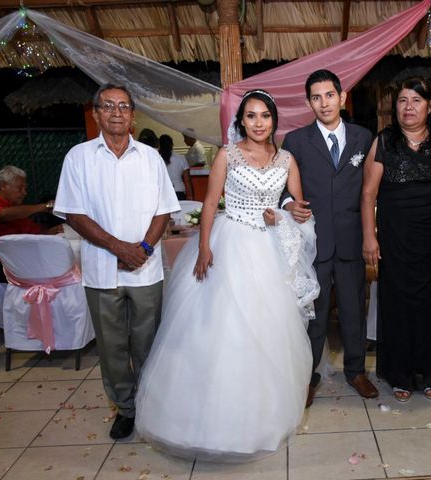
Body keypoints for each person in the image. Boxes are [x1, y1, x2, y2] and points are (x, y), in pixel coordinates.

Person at [135, 90, 318, 461]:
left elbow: (296, 209)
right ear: (242, 121)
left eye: (265, 116)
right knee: (217, 331)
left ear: (274, 120)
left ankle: (261, 418)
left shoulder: (287, 159)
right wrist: (204, 246)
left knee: (266, 332)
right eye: (251, 116)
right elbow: (209, 202)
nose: (258, 122)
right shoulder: (227, 155)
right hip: (230, 241)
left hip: (268, 250)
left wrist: (282, 214)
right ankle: (201, 419)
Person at [54, 84, 180, 439]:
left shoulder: (151, 158)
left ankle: (151, 405)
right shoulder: (78, 157)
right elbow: (74, 215)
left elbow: (164, 211)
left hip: (146, 268)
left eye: (123, 106)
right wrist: (118, 248)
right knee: (112, 347)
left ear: (132, 115)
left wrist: (141, 249)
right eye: (108, 106)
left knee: (148, 342)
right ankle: (125, 408)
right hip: (100, 270)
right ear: (96, 113)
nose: (116, 112)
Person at [282, 69, 378, 407]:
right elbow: (283, 188)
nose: (323, 103)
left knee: (354, 309)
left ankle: (356, 371)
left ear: (342, 97)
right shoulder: (295, 141)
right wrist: (289, 204)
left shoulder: (363, 138)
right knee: (314, 314)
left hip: (352, 240)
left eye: (329, 95)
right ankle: (308, 377)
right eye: (316, 97)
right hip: (313, 241)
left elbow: (372, 187)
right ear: (309, 102)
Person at [361, 76, 431, 402]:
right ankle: (400, 374)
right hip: (396, 240)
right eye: (402, 100)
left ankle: (430, 372)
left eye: (416, 100)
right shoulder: (384, 141)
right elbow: (368, 194)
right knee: (399, 306)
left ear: (430, 106)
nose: (408, 107)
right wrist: (369, 238)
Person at [0, 166, 55, 283]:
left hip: (20, 264)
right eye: (20, 188)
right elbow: (2, 215)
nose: (24, 193)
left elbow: (33, 232)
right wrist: (43, 207)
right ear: (3, 186)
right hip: (1, 271)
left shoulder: (16, 209)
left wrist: (49, 232)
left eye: (25, 188)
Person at [158, 134, 193, 200]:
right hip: (179, 191)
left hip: (162, 193)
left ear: (159, 146)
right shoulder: (181, 158)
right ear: (172, 145)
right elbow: (187, 180)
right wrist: (190, 196)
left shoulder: (156, 159)